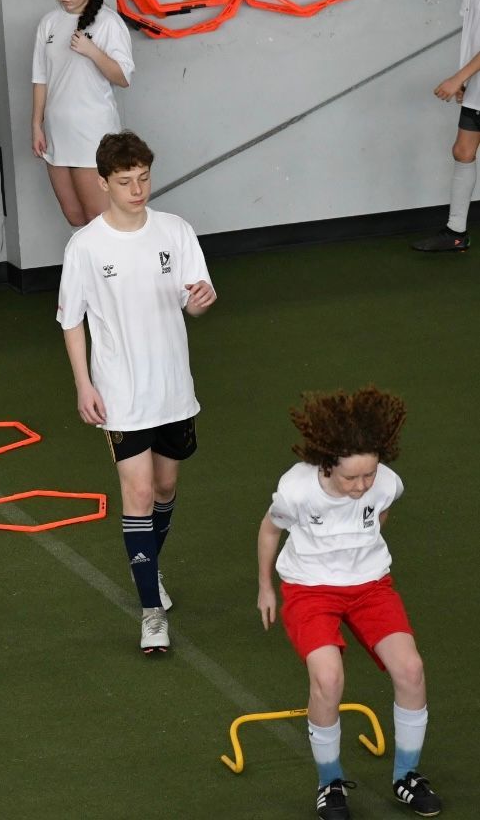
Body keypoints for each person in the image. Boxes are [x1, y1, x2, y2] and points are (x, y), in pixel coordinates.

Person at [56, 131, 216, 653]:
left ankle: (148, 567)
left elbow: (193, 301)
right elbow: (72, 320)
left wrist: (201, 300)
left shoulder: (175, 231)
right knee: (140, 493)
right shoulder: (86, 245)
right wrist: (84, 384)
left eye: (143, 178)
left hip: (173, 387)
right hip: (121, 391)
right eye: (125, 182)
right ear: (103, 184)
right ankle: (151, 613)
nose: (137, 189)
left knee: (166, 489)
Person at [257, 386, 441, 819]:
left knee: (411, 669)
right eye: (351, 478)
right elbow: (269, 531)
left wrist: (361, 555)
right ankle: (330, 784)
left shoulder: (385, 484)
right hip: (309, 589)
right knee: (328, 678)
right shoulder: (297, 491)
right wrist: (266, 587)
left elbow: (379, 515)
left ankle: (407, 777)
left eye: (369, 475)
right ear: (325, 464)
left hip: (371, 585)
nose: (362, 485)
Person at [32, 0, 134, 226]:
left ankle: (116, 271)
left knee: (99, 219)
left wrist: (92, 51)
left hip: (93, 134)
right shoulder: (49, 23)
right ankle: (90, 270)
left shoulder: (108, 22)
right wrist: (37, 124)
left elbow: (123, 77)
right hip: (57, 131)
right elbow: (40, 77)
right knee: (75, 217)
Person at [412, 0, 480, 252]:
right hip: (477, 88)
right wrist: (467, 83)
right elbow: (472, 38)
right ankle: (456, 232)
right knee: (462, 150)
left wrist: (457, 78)